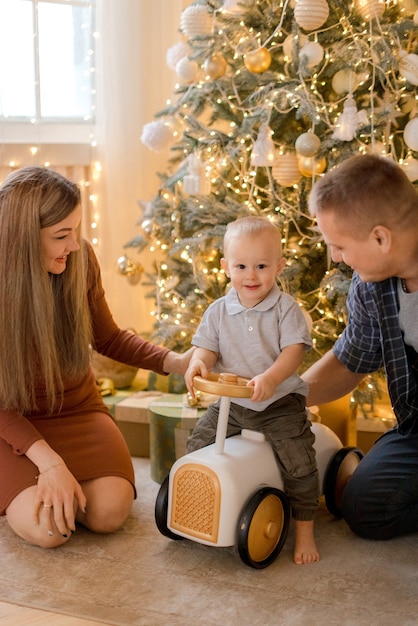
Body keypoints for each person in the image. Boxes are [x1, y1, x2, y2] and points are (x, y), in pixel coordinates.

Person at [0, 165, 192, 549]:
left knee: (108, 513)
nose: (74, 245)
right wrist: (49, 463)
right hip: (13, 422)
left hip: (77, 410)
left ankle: (56, 480)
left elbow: (108, 337)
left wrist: (175, 363)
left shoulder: (79, 260)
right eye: (61, 235)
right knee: (50, 530)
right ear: (22, 239)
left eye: (76, 230)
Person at [185, 216, 320, 565]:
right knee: (198, 445)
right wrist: (199, 363)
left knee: (298, 462)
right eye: (242, 266)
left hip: (278, 401)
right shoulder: (217, 311)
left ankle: (304, 526)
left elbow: (293, 352)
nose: (251, 275)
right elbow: (207, 349)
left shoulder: (286, 309)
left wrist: (271, 378)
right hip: (233, 402)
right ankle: (197, 505)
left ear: (279, 266)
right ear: (226, 267)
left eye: (261, 266)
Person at [303, 153, 418, 541]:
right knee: (363, 506)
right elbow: (350, 359)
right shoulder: (370, 286)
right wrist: (283, 395)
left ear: (381, 237)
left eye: (339, 246)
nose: (335, 257)